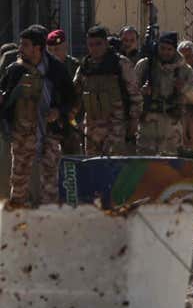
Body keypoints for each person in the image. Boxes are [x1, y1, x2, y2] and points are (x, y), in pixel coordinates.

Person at [0, 25, 75, 206]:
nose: (20, 49)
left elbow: (71, 99)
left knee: (49, 182)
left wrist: (59, 112)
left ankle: (48, 221)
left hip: (50, 132)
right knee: (19, 181)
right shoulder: (15, 70)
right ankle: (19, 223)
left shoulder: (56, 69)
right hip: (22, 133)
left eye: (25, 45)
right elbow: (5, 98)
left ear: (37, 48)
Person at [76, 25, 142, 156]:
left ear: (106, 43)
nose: (94, 48)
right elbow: (76, 93)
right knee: (92, 168)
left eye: (98, 44)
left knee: (115, 170)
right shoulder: (85, 66)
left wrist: (133, 121)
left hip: (115, 128)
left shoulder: (121, 64)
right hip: (91, 129)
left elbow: (135, 96)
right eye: (91, 44)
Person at [134, 33, 193, 155]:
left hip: (172, 129)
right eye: (162, 48)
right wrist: (141, 92)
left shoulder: (184, 69)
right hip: (147, 129)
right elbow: (131, 92)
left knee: (170, 168)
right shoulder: (144, 65)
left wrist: (184, 87)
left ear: (174, 50)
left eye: (169, 49)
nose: (165, 52)